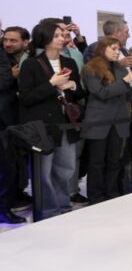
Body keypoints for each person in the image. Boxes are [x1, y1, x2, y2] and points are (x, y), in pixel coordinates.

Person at [18, 21, 86, 218]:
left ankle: (64, 206)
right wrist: (51, 84)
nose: (62, 38)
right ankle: (49, 210)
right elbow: (26, 97)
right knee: (43, 171)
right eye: (56, 35)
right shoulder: (31, 64)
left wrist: (73, 85)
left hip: (66, 123)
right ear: (44, 38)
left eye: (63, 34)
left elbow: (80, 92)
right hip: (43, 126)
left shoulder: (70, 62)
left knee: (67, 168)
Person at [81, 37, 132, 203]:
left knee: (114, 161)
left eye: (118, 49)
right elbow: (101, 93)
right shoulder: (90, 68)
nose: (117, 52)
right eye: (113, 48)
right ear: (102, 49)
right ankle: (95, 197)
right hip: (99, 122)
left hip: (119, 121)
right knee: (96, 163)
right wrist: (125, 81)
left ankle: (112, 194)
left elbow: (127, 95)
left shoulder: (120, 68)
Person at [0, 50, 25, 224]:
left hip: (3, 120)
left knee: (6, 168)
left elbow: (4, 79)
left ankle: (4, 209)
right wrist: (10, 75)